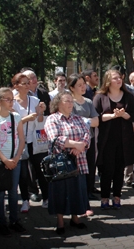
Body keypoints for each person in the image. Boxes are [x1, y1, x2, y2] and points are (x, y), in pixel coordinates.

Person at [45, 91, 91, 236]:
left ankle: (75, 218)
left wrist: (81, 146)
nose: (71, 103)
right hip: (61, 164)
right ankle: (60, 221)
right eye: (67, 101)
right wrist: (76, 145)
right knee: (60, 192)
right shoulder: (52, 119)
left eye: (72, 101)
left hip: (79, 160)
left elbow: (87, 134)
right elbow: (55, 139)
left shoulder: (78, 118)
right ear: (58, 103)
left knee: (77, 190)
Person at [93, 69, 134, 209]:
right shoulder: (100, 97)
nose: (119, 80)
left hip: (124, 140)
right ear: (108, 81)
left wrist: (124, 115)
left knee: (119, 169)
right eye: (115, 78)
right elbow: (96, 117)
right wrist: (113, 116)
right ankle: (105, 198)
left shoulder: (128, 96)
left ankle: (117, 197)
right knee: (107, 170)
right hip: (106, 140)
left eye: (120, 78)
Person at [0, 87, 27, 236]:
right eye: (7, 99)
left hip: (15, 160)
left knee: (13, 192)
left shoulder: (16, 117)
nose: (11, 102)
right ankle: (2, 223)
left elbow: (22, 139)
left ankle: (14, 220)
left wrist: (16, 158)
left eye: (12, 99)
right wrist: (4, 160)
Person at [11, 73, 48, 212]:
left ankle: (46, 198)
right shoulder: (12, 102)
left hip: (34, 140)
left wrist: (40, 112)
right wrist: (27, 118)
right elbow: (12, 123)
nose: (27, 85)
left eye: (28, 83)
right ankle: (25, 200)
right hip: (19, 141)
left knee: (40, 169)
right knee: (23, 173)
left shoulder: (34, 100)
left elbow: (39, 121)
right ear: (16, 86)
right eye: (24, 83)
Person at [67, 73, 99, 216]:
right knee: (75, 175)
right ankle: (75, 205)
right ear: (72, 88)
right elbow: (70, 122)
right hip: (74, 144)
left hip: (89, 142)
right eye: (79, 85)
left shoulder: (88, 102)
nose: (83, 87)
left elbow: (96, 121)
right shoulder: (69, 103)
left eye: (83, 84)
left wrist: (82, 121)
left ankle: (85, 204)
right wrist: (86, 121)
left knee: (88, 173)